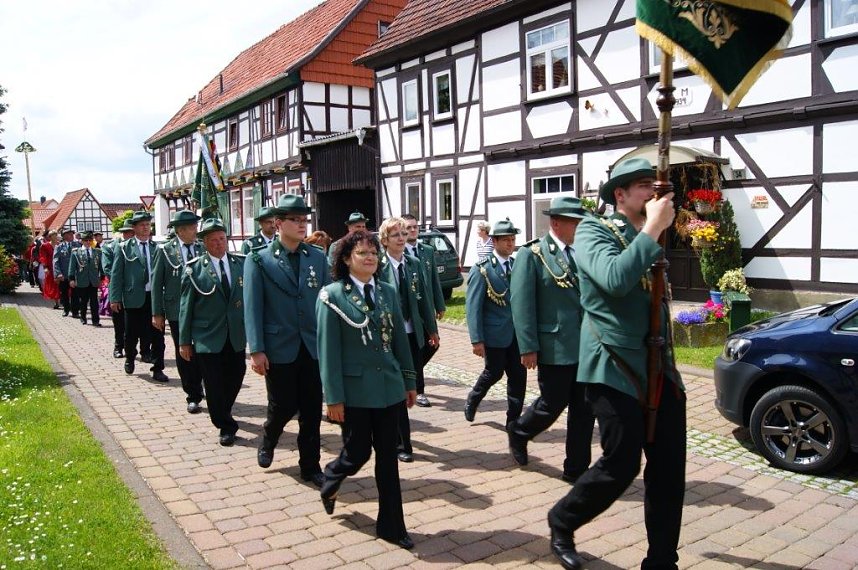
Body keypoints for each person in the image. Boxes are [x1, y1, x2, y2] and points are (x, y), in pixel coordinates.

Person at [547, 158, 684, 570]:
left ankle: (662, 561)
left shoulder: (651, 236)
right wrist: (652, 229)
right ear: (620, 195)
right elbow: (613, 279)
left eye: (655, 186)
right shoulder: (594, 230)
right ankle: (563, 518)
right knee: (622, 463)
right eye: (643, 186)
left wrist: (652, 232)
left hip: (659, 366)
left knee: (668, 470)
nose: (652, 193)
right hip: (613, 363)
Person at [317, 230, 417, 550]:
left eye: (374, 251)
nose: (371, 257)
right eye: (362, 253)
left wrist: (410, 382)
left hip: (388, 389)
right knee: (358, 452)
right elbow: (328, 352)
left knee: (388, 459)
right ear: (347, 259)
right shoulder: (332, 296)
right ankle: (332, 476)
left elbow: (400, 342)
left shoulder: (387, 291)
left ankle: (391, 527)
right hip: (355, 392)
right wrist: (333, 397)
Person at [507, 196, 595, 485]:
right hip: (555, 346)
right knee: (551, 404)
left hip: (586, 346)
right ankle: (520, 431)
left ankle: (576, 469)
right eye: (575, 222)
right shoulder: (532, 255)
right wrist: (528, 346)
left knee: (584, 410)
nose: (581, 227)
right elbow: (521, 304)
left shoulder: (584, 252)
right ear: (556, 223)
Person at [244, 195, 331, 484]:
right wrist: (256, 349)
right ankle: (269, 438)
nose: (302, 224)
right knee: (281, 405)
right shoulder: (259, 259)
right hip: (278, 346)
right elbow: (253, 306)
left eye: (304, 219)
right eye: (295, 220)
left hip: (311, 346)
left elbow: (328, 301)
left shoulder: (317, 257)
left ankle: (310, 465)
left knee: (310, 409)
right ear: (278, 224)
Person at [179, 218, 247, 447]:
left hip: (235, 333)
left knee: (237, 373)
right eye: (213, 240)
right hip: (207, 336)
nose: (219, 244)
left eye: (222, 239)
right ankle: (225, 426)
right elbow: (185, 308)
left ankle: (222, 410)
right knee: (214, 382)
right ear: (204, 243)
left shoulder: (242, 264)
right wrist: (184, 341)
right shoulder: (194, 269)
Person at [378, 217, 438, 463]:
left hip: (411, 332)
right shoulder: (377, 265)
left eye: (404, 234)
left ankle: (400, 439)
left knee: (406, 384)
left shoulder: (413, 263)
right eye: (396, 235)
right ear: (384, 240)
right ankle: (402, 443)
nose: (402, 238)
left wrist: (431, 329)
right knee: (392, 388)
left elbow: (424, 297)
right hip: (386, 335)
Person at [464, 218, 526, 429]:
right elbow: (473, 307)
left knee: (518, 376)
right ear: (494, 242)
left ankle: (513, 420)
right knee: (494, 372)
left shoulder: (518, 265)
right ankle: (474, 397)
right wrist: (476, 339)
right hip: (494, 334)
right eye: (506, 240)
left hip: (517, 334)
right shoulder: (482, 269)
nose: (511, 244)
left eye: (513, 239)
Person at [151, 210, 206, 414]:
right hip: (176, 310)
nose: (196, 231)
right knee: (184, 350)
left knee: (202, 350)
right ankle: (192, 395)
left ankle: (201, 384)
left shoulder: (201, 248)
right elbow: (157, 283)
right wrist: (157, 312)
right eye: (192, 227)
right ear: (181, 230)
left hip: (201, 309)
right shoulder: (165, 250)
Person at [109, 211, 168, 382]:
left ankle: (158, 368)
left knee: (158, 335)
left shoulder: (157, 248)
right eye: (142, 225)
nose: (146, 228)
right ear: (134, 228)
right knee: (131, 334)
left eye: (148, 225)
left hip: (155, 298)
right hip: (133, 298)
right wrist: (115, 298)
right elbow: (117, 274)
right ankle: (130, 357)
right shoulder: (124, 248)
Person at [402, 214, 445, 407]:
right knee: (418, 348)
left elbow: (434, 279)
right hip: (411, 309)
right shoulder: (400, 251)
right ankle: (419, 391)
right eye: (408, 228)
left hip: (425, 308)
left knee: (432, 345)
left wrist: (440, 304)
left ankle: (410, 372)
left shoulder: (426, 250)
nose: (412, 230)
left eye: (415, 227)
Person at [104, 221, 135, 359]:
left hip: (134, 291)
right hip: (118, 290)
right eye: (129, 232)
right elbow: (107, 268)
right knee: (119, 322)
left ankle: (133, 349)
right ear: (124, 233)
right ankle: (118, 347)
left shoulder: (136, 246)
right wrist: (124, 278)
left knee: (133, 323)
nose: (132, 235)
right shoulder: (111, 246)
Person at [67, 231, 103, 326]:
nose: (87, 242)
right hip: (82, 280)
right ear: (81, 241)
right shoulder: (76, 252)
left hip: (93, 280)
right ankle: (83, 317)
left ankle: (96, 320)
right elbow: (72, 267)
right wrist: (71, 279)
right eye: (85, 240)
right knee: (83, 301)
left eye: (89, 240)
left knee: (94, 302)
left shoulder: (97, 252)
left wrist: (102, 277)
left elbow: (100, 266)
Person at [53, 228, 79, 318]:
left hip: (75, 275)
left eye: (72, 234)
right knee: (64, 293)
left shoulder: (78, 245)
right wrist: (58, 273)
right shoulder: (59, 247)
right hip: (63, 274)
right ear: (64, 236)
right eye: (69, 234)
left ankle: (75, 311)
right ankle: (66, 309)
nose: (71, 235)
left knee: (75, 294)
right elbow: (55, 261)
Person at [39, 231, 60, 307]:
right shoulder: (45, 246)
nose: (55, 237)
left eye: (56, 235)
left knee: (61, 284)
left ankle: (64, 300)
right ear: (50, 237)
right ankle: (56, 301)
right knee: (53, 284)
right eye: (53, 236)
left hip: (59, 267)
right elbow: (42, 257)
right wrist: (45, 267)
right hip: (50, 267)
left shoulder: (59, 245)